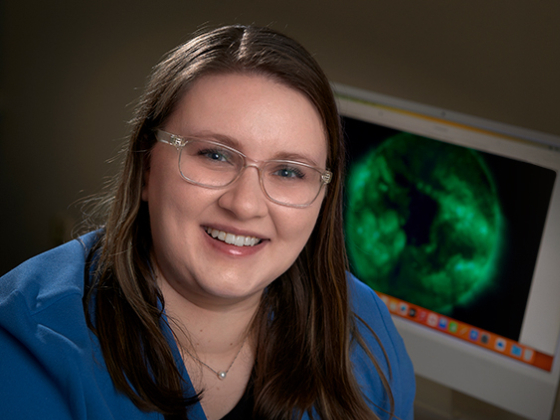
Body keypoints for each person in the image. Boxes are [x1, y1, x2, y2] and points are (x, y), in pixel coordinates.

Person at [0, 25, 415, 420]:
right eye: (214, 155)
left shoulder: (361, 326)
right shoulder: (29, 341)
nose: (245, 205)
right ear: (146, 165)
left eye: (289, 172)